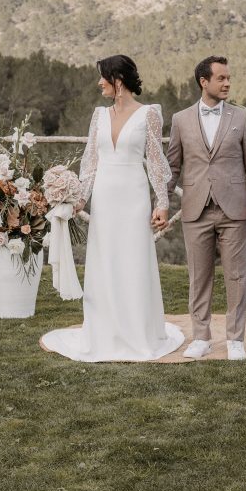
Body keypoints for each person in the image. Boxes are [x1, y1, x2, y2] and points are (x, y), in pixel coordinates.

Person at [41, 55, 185, 362]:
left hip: (134, 197)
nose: (99, 82)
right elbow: (90, 163)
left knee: (133, 261)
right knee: (104, 261)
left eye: (102, 77)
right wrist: (79, 198)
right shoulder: (98, 116)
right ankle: (104, 330)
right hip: (105, 198)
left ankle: (137, 331)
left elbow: (157, 164)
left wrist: (162, 203)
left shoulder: (149, 114)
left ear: (117, 79)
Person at [165, 56, 246, 361]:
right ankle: (201, 337)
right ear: (203, 82)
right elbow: (172, 166)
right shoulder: (180, 120)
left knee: (237, 276)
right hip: (195, 209)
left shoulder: (243, 117)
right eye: (221, 78)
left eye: (228, 78)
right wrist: (160, 203)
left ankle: (235, 338)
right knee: (199, 277)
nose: (227, 84)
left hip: (234, 209)